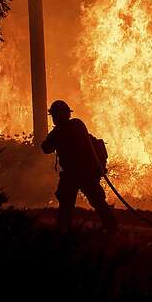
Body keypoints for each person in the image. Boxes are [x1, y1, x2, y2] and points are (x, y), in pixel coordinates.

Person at [40, 99, 117, 234]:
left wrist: (51, 135)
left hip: (76, 173)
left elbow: (46, 148)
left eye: (54, 115)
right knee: (95, 200)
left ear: (60, 115)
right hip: (86, 172)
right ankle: (111, 226)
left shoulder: (60, 131)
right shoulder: (77, 126)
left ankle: (64, 230)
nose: (54, 119)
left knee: (67, 202)